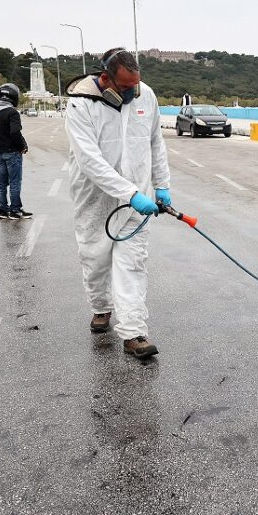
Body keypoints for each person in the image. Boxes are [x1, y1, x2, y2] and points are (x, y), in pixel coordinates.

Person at [64, 48, 171, 359]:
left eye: (134, 86)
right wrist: (130, 193)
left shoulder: (145, 96)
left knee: (132, 263)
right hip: (94, 197)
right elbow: (89, 160)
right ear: (105, 78)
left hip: (137, 200)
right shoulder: (81, 104)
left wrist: (161, 185)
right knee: (95, 258)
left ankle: (134, 332)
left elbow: (155, 142)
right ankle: (100, 307)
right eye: (124, 87)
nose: (130, 93)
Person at [0, 83, 32, 220]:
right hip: (12, 152)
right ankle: (15, 210)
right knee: (14, 182)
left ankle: (3, 210)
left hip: (0, 152)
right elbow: (15, 132)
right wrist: (22, 146)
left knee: (1, 183)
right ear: (14, 96)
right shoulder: (12, 112)